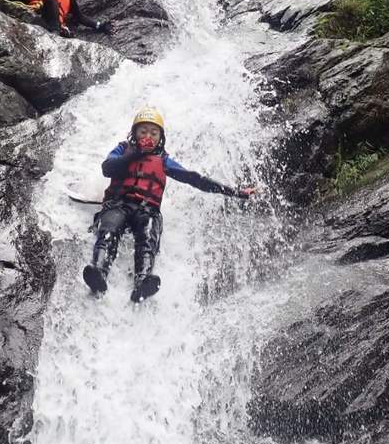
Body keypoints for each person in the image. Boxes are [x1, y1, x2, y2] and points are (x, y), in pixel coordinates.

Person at [84, 106, 258, 302]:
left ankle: (142, 281)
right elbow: (107, 168)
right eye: (142, 132)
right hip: (118, 205)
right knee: (109, 229)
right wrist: (134, 155)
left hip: (145, 210)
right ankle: (98, 271)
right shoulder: (123, 149)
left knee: (148, 235)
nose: (148, 136)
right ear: (134, 133)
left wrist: (236, 192)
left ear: (161, 137)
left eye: (153, 132)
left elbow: (195, 179)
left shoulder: (163, 160)